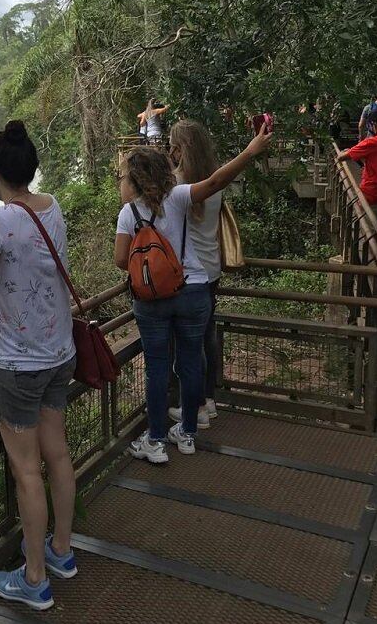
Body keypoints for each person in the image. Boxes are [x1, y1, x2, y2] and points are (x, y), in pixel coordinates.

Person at [115, 123, 273, 459]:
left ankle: (155, 441)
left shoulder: (128, 214)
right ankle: (186, 434)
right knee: (190, 362)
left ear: (135, 181)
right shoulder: (181, 196)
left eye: (123, 178)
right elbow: (216, 181)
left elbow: (120, 261)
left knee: (157, 367)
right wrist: (250, 151)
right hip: (194, 291)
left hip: (152, 301)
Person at [0, 120, 78, 611]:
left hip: (16, 363)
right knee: (56, 454)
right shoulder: (51, 207)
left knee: (26, 470)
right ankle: (60, 551)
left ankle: (34, 579)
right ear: (31, 170)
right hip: (60, 352)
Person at [164, 121, 224, 432]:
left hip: (187, 274)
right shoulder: (216, 182)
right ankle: (209, 400)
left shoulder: (176, 187)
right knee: (207, 337)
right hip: (212, 268)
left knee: (187, 343)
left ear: (178, 149)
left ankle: (195, 406)